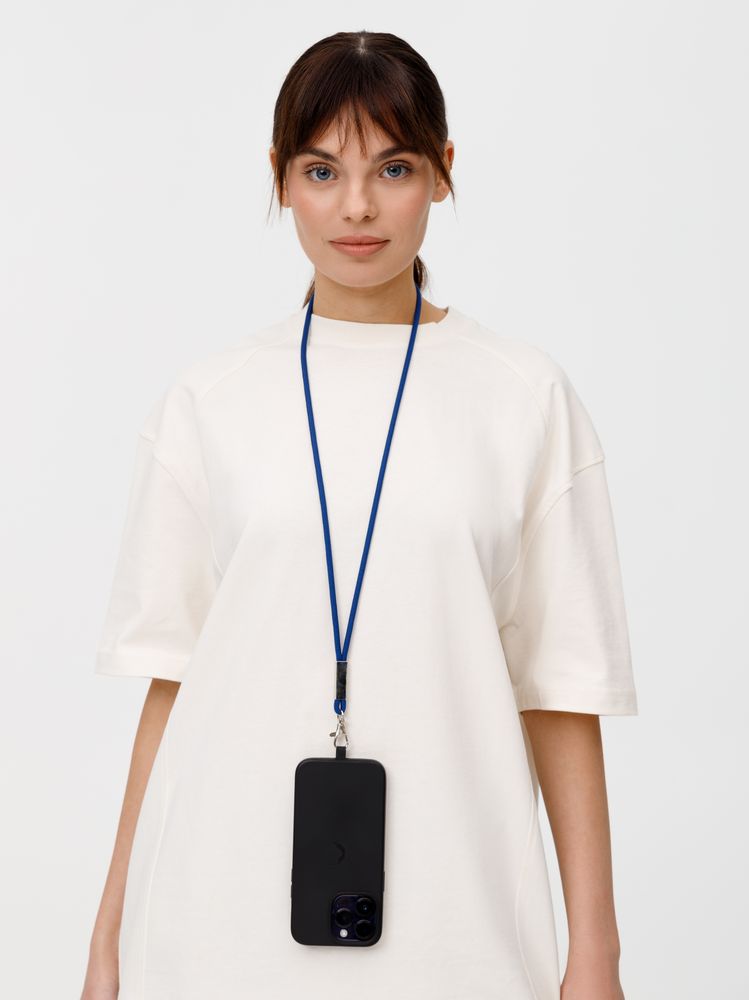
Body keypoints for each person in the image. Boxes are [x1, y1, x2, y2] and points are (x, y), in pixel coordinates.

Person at [81, 29, 638, 1000]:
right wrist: (107, 944)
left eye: (394, 168)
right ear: (279, 177)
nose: (357, 207)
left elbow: (561, 691)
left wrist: (597, 958)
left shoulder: (524, 397)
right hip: (212, 928)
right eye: (321, 170)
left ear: (443, 172)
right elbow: (171, 684)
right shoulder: (209, 401)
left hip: (458, 934)